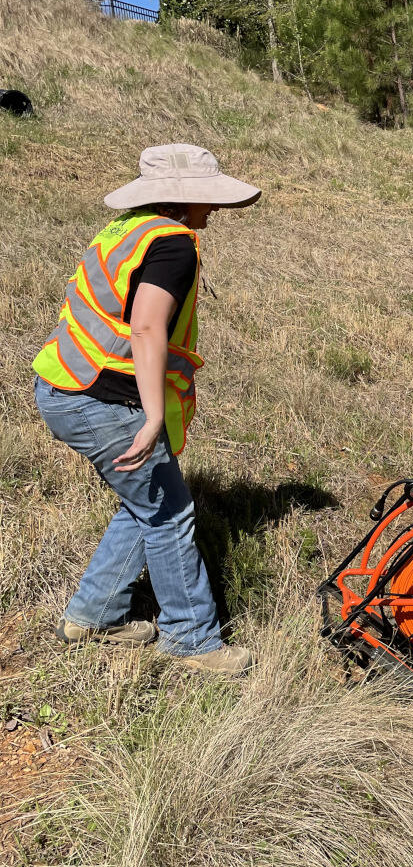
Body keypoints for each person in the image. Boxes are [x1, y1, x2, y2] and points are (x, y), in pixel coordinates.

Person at [33, 144, 260, 675]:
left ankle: (93, 616)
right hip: (99, 398)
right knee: (172, 513)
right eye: (209, 199)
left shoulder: (125, 229)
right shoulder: (174, 245)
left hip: (64, 385)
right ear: (184, 200)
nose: (215, 211)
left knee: (148, 502)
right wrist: (155, 415)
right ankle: (191, 639)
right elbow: (147, 326)